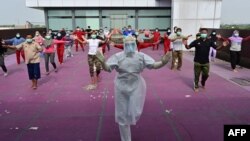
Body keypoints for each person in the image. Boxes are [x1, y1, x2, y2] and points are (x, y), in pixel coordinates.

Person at [96, 35, 171, 141]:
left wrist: (163, 62)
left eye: (132, 44)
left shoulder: (141, 56)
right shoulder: (118, 56)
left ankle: (129, 120)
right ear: (124, 45)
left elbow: (153, 65)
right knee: (122, 115)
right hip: (121, 87)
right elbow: (108, 68)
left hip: (137, 86)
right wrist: (103, 62)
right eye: (127, 44)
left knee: (134, 111)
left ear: (135, 44)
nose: (130, 46)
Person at [184, 28, 221, 92]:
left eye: (205, 33)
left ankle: (203, 82)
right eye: (202, 33)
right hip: (197, 62)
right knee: (197, 75)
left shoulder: (210, 41)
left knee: (206, 75)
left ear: (207, 34)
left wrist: (223, 45)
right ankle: (196, 86)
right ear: (200, 33)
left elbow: (216, 48)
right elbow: (188, 47)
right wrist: (185, 44)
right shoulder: (196, 41)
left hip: (206, 62)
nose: (203, 34)